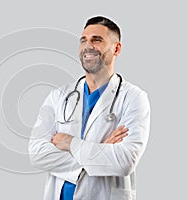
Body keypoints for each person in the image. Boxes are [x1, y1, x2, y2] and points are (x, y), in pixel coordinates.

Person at [28, 16, 150, 200]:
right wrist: (101, 151)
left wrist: (69, 143)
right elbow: (37, 154)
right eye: (83, 40)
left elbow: (125, 161)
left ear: (116, 48)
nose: (88, 46)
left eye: (97, 40)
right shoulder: (59, 96)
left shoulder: (134, 98)